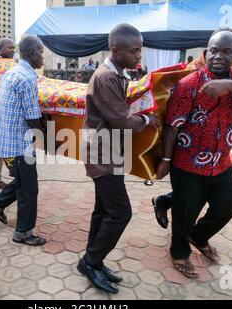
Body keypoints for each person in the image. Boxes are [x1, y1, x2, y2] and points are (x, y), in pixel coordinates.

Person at [155, 28, 232, 278]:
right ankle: (179, 252)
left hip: (221, 162)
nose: (219, 56)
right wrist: (165, 160)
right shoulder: (188, 85)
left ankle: (199, 235)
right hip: (187, 162)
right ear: (206, 53)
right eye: (214, 51)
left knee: (229, 204)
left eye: (226, 51)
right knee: (186, 211)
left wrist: (228, 85)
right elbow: (172, 126)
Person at [79, 23, 160, 294]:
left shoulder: (118, 73)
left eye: (140, 50)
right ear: (116, 50)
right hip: (102, 154)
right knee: (120, 212)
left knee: (103, 209)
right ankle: (90, 262)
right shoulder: (106, 77)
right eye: (135, 51)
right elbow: (121, 121)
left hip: (108, 151)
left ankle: (94, 259)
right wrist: (148, 119)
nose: (139, 55)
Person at [0, 35, 47, 246]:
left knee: (22, 180)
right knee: (30, 188)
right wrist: (46, 140)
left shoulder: (10, 72)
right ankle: (23, 232)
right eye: (41, 53)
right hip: (20, 143)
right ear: (31, 54)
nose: (43, 57)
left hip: (7, 139)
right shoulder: (28, 78)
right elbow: (32, 117)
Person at [0, 38, 16, 189]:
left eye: (14, 48)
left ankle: (9, 171)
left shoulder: (13, 65)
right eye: (9, 48)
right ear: (0, 49)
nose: (13, 50)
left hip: (9, 113)